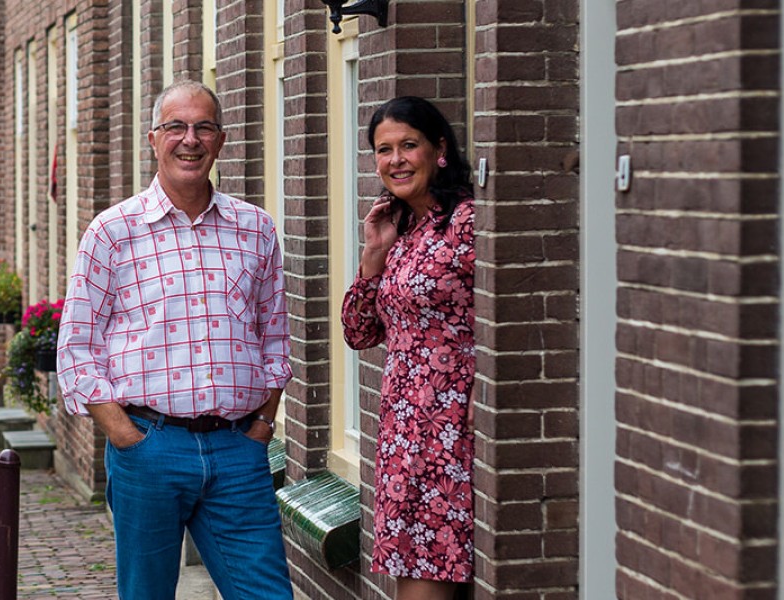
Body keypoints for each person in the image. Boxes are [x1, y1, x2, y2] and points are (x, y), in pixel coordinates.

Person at [57, 80, 293, 600]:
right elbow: (76, 347)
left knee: (267, 593)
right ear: (153, 138)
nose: (190, 140)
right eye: (176, 127)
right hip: (149, 446)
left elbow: (274, 337)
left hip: (238, 450)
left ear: (221, 140)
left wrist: (261, 428)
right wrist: (125, 436)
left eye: (203, 127)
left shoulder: (256, 229)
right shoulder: (112, 231)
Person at [342, 95, 476, 600]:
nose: (395, 159)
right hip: (404, 424)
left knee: (430, 571)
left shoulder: (467, 222)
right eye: (383, 149)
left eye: (408, 145)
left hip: (451, 424)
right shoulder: (402, 229)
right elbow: (359, 332)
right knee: (416, 567)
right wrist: (374, 252)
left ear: (438, 149)